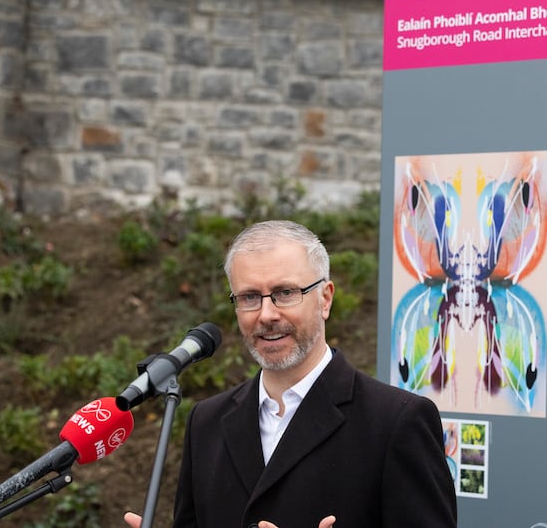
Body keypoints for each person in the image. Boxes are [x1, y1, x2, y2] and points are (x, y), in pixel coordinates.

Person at [125, 220, 457, 528]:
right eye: (250, 297)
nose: (267, 314)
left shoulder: (396, 421)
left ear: (325, 299)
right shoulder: (206, 422)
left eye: (285, 293)